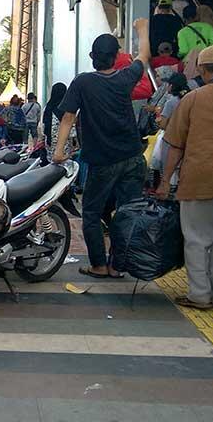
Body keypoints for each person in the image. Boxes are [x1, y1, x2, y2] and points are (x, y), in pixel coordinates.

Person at [53, 18, 151, 279]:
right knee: (128, 212)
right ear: (117, 57)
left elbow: (67, 117)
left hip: (102, 161)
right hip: (132, 156)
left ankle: (98, 264)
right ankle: (118, 266)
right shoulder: (126, 77)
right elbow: (144, 55)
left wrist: (58, 151)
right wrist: (142, 29)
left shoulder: (83, 82)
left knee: (93, 213)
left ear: (91, 56)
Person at [156, 45, 213, 309]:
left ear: (203, 71)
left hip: (198, 180)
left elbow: (175, 146)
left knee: (196, 239)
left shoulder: (191, 100)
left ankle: (199, 295)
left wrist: (164, 182)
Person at [43, 82, 67, 148]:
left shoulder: (47, 107)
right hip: (64, 142)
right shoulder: (66, 109)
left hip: (50, 141)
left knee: (51, 158)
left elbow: (44, 125)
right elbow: (72, 130)